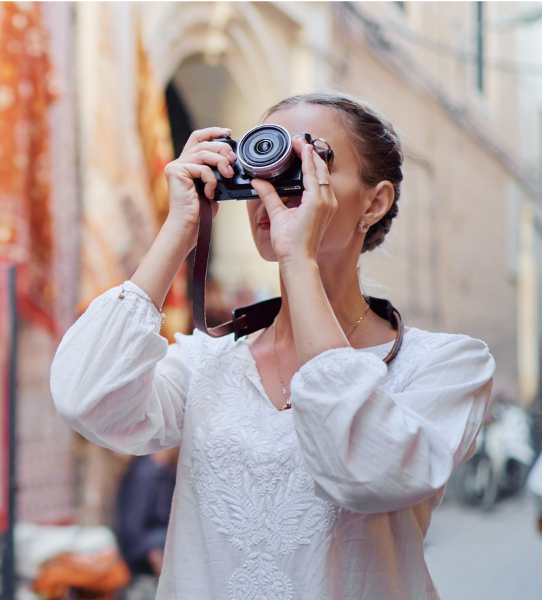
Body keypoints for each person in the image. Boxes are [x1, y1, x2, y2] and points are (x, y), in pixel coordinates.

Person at [51, 91, 495, 600]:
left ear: (374, 202)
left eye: (311, 159)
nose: (275, 181)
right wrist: (180, 227)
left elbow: (365, 473)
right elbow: (86, 400)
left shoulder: (446, 365)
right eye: (262, 154)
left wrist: (298, 261)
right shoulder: (208, 362)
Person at [115, 447, 178, 600]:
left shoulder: (164, 470)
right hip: (146, 572)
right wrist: (153, 554)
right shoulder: (145, 474)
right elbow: (132, 525)